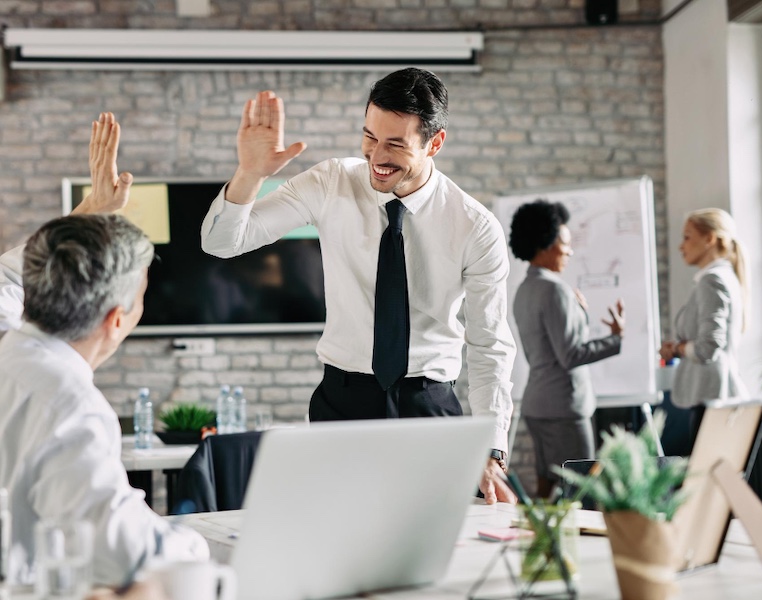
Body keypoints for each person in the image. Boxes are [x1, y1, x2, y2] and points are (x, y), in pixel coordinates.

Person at [201, 68, 517, 503]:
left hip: (429, 408)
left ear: (435, 143)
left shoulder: (474, 226)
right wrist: (249, 174)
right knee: (339, 548)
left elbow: (490, 345)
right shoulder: (330, 182)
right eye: (369, 136)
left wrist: (492, 447)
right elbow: (222, 242)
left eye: (395, 144)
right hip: (343, 403)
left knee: (433, 550)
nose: (376, 156)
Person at [0, 113, 209, 586]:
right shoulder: (71, 406)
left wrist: (91, 211)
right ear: (118, 320)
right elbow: (125, 553)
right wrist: (198, 543)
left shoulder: (11, 344)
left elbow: (11, 276)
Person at [508, 200, 624, 499]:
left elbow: (551, 347)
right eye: (565, 244)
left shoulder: (525, 289)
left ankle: (542, 544)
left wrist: (580, 314)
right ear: (545, 244)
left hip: (537, 405)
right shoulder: (555, 289)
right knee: (585, 493)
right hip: (564, 410)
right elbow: (570, 355)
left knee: (546, 487)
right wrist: (615, 338)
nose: (570, 252)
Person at [659, 208, 748, 454]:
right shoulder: (721, 277)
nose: (681, 246)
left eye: (687, 237)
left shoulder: (713, 280)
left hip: (710, 396)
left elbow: (708, 347)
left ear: (709, 239)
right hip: (712, 395)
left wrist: (676, 348)